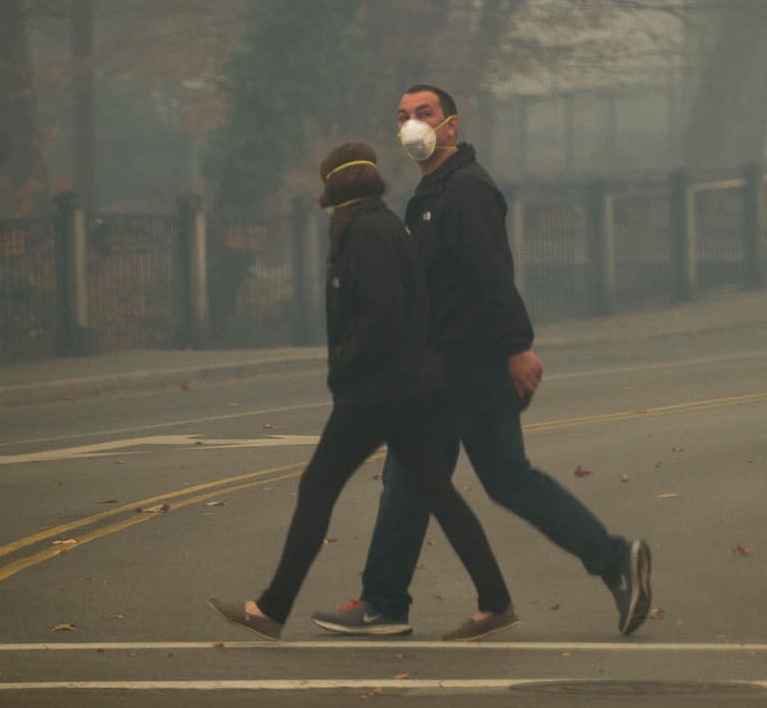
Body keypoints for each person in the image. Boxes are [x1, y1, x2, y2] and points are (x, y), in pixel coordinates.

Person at [311, 85, 651, 639]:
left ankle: (384, 603)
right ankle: (613, 561)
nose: (413, 124)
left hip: (462, 364)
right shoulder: (434, 192)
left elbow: (492, 272)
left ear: (451, 125)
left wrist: (517, 346)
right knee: (507, 480)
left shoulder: (465, 189)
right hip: (466, 365)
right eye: (403, 116)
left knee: (409, 477)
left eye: (425, 113)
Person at [209, 141, 517, 642]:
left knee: (318, 487)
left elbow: (383, 310)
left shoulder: (367, 232)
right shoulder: (377, 224)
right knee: (438, 494)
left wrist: (348, 362)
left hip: (377, 392)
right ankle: (496, 600)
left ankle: (271, 608)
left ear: (334, 186)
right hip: (404, 390)